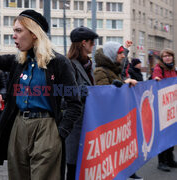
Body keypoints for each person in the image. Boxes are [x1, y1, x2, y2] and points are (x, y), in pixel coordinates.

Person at [0, 9, 82, 180]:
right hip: (19, 126)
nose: (14, 36)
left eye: (18, 31)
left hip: (46, 128)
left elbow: (74, 103)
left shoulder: (58, 63)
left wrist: (59, 132)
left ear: (34, 34)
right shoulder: (17, 62)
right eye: (13, 31)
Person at [94, 41, 142, 180]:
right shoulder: (100, 71)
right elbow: (102, 95)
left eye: (123, 53)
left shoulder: (114, 69)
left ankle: (127, 172)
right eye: (120, 53)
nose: (122, 56)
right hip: (109, 120)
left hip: (118, 117)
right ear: (111, 54)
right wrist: (123, 84)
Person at [66, 26, 98, 180]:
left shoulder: (89, 65)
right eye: (92, 43)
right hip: (74, 125)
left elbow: (94, 90)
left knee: (86, 165)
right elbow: (62, 93)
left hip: (88, 123)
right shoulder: (69, 64)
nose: (93, 46)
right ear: (84, 43)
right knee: (73, 167)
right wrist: (84, 92)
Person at [153, 48, 177, 172]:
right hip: (162, 108)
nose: (167, 58)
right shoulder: (159, 68)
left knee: (172, 134)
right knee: (163, 135)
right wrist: (157, 80)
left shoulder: (174, 70)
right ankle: (161, 161)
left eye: (169, 56)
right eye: (165, 56)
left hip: (172, 108)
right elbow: (156, 80)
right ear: (162, 59)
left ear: (173, 57)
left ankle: (170, 159)